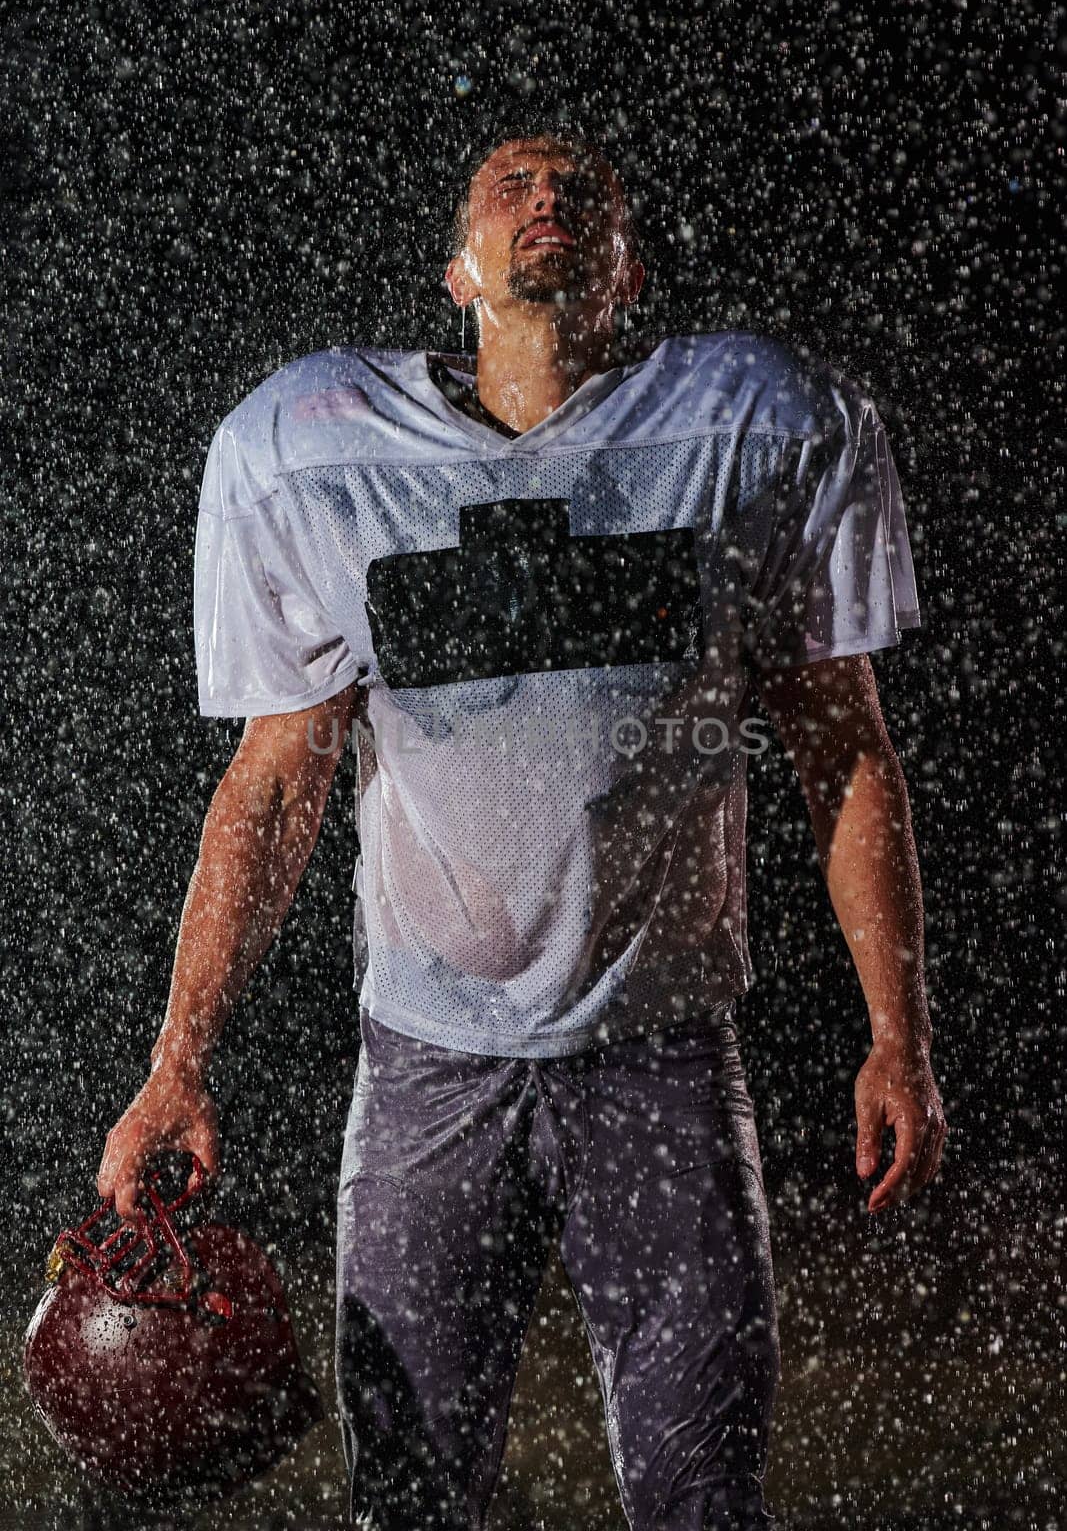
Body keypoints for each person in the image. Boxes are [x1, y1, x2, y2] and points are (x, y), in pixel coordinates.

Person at [97, 128, 948, 1530]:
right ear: (457, 272)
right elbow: (272, 784)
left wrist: (899, 1038)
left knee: (701, 1498)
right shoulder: (318, 453)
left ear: (626, 276)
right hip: (430, 1066)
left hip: (664, 1058)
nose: (550, 198)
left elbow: (844, 747)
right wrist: (176, 1063)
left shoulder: (753, 426)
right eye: (514, 186)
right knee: (411, 1502)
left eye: (585, 192)